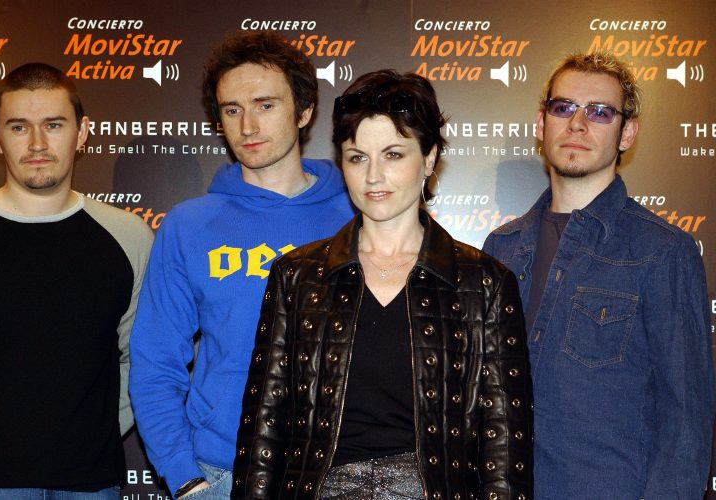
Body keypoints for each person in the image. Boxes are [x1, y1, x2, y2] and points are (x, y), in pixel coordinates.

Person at [231, 69, 533, 500]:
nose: (373, 176)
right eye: (358, 157)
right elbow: (264, 427)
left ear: (428, 159)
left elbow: (503, 445)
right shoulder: (296, 276)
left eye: (393, 154)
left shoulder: (484, 284)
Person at [128, 31, 353, 499]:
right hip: (222, 472)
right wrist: (185, 479)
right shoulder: (189, 225)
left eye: (265, 105)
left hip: (342, 473)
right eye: (232, 110)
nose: (248, 125)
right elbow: (155, 363)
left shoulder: (358, 216)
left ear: (304, 112)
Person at [483, 52, 714, 499]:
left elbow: (685, 425)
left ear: (627, 133)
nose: (577, 124)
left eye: (600, 112)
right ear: (541, 123)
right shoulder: (501, 248)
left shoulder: (664, 252)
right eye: (563, 107)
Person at [0, 63, 153, 498]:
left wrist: (95, 431)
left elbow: (143, 358)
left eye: (54, 125)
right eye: (18, 127)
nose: (37, 143)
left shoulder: (130, 236)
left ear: (82, 133)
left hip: (92, 483)